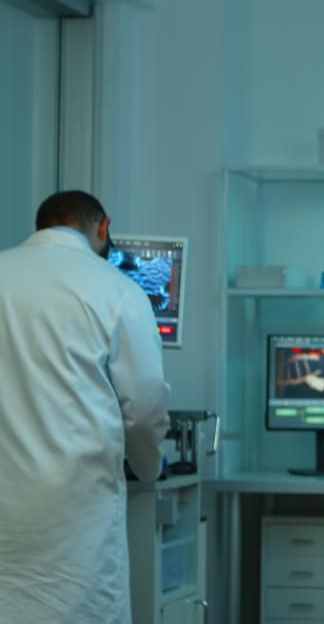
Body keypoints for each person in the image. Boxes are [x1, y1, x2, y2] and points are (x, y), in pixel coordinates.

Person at [0, 191, 170, 624]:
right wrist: (148, 467)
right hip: (76, 515)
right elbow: (145, 407)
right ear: (102, 226)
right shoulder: (116, 288)